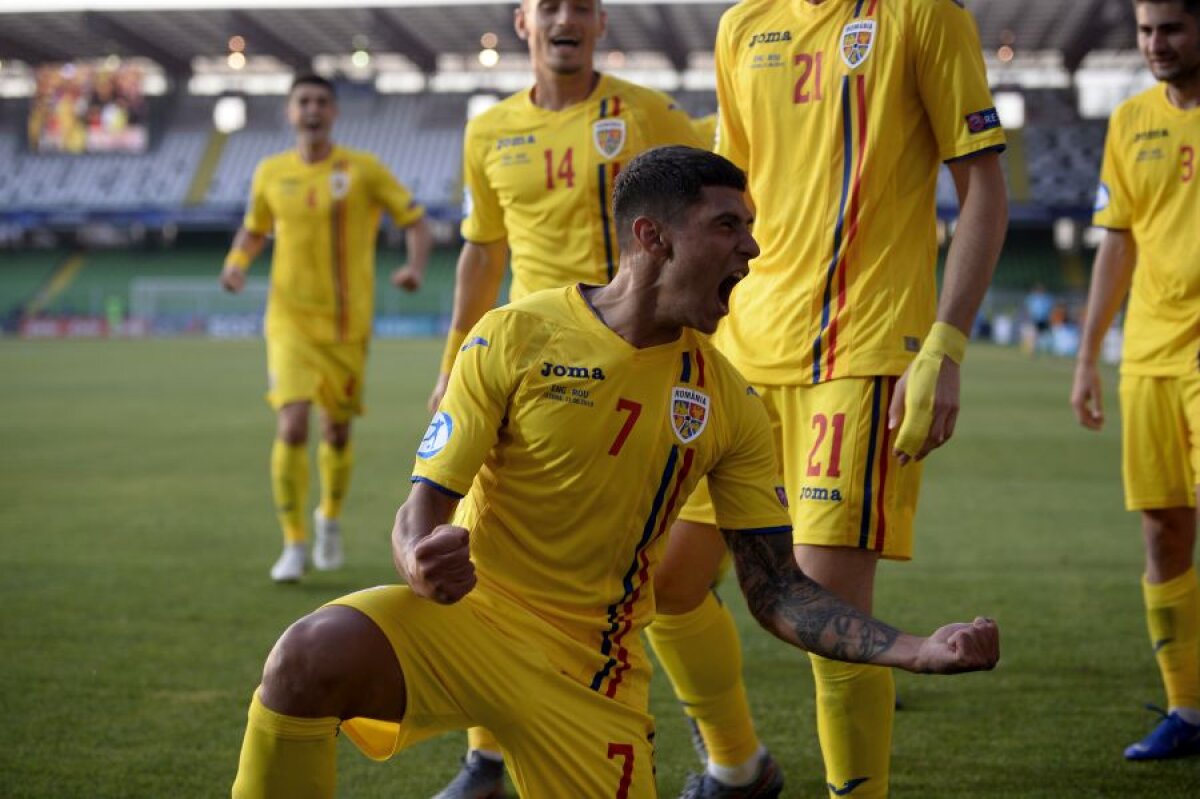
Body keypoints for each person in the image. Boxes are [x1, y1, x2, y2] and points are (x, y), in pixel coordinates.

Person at [230, 145, 1001, 799]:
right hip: (469, 623)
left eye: (751, 229)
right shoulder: (516, 334)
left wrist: (915, 647)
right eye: (728, 226)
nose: (752, 250)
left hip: (592, 677)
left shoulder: (731, 402)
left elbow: (778, 590)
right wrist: (417, 558)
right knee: (308, 655)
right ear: (652, 237)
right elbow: (421, 506)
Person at [426, 1, 774, 795]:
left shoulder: (646, 112)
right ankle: (487, 755)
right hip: (527, 372)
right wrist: (454, 362)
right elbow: (483, 255)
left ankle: (738, 757)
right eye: (552, 4)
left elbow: (730, 175)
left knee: (670, 581)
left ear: (601, 23)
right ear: (524, 21)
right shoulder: (488, 133)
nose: (567, 17)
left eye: (583, 4)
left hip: (649, 370)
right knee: (487, 551)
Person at [663, 2, 1010, 797]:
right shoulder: (743, 24)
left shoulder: (922, 16)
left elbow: (983, 185)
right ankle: (737, 764)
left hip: (860, 347)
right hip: (742, 351)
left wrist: (946, 345)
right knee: (667, 583)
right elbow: (727, 201)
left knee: (827, 617)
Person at [220, 74, 433, 583]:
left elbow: (417, 221)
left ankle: (328, 519)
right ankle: (293, 541)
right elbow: (254, 228)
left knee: (335, 430)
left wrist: (415, 268)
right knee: (292, 424)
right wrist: (236, 261)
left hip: (345, 324)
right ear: (290, 111)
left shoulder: (363, 171)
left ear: (333, 112)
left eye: (320, 101)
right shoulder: (271, 172)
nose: (311, 109)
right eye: (302, 101)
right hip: (288, 320)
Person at [1070, 0, 1200, 761]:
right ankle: (1187, 707)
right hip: (1149, 351)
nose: (1155, 44)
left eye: (1172, 28)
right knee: (1162, 527)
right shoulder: (1129, 122)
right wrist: (1089, 354)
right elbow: (1116, 246)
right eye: (1146, 30)